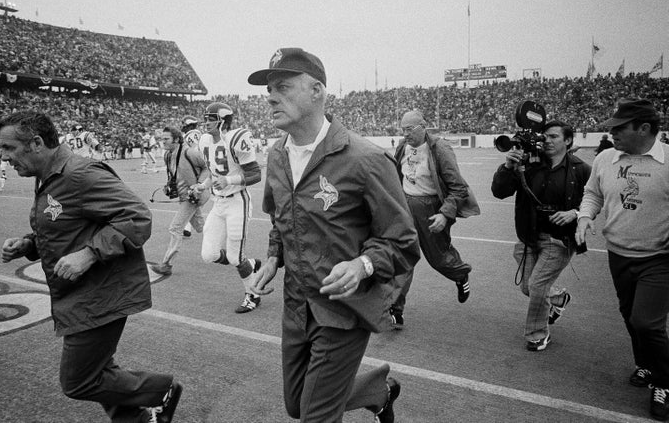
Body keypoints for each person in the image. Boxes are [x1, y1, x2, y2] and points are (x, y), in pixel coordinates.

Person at [248, 47, 419, 422]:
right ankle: (377, 390)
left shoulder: (365, 159)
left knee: (315, 416)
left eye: (283, 87)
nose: (272, 97)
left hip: (344, 308)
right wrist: (274, 257)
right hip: (296, 304)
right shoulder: (276, 155)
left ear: (317, 91)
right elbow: (280, 217)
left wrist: (363, 265)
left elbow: (403, 240)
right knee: (297, 405)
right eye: (269, 90)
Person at [0, 111, 182, 423]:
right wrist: (29, 245)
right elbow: (69, 227)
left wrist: (89, 255)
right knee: (100, 370)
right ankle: (137, 420)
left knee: (79, 380)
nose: (4, 157)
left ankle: (161, 390)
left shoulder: (79, 174)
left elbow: (137, 217)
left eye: (9, 148)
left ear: (37, 143)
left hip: (100, 293)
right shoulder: (49, 175)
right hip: (80, 294)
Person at [575, 98, 669, 420]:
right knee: (630, 316)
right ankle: (646, 364)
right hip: (619, 254)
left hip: (659, 258)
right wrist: (585, 217)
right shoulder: (605, 158)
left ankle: (665, 381)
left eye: (619, 128)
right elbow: (593, 193)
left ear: (644, 128)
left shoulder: (668, 160)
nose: (611, 132)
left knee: (646, 321)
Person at [492, 119, 591, 351]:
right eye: (545, 136)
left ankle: (537, 334)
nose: (547, 140)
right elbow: (499, 192)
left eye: (554, 137)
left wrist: (575, 213)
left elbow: (597, 199)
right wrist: (507, 167)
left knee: (537, 285)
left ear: (567, 140)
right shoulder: (529, 164)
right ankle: (558, 298)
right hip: (529, 237)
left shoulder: (580, 169)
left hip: (559, 239)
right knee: (529, 287)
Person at [389, 110, 479, 329]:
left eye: (410, 129)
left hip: (431, 209)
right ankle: (395, 311)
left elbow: (458, 188)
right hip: (406, 206)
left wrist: (444, 213)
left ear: (424, 126)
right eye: (402, 129)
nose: (405, 134)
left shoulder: (440, 149)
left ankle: (460, 274)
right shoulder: (402, 147)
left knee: (438, 258)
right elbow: (394, 174)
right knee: (402, 257)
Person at [190, 102, 264, 313]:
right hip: (219, 203)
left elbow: (255, 174)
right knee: (209, 254)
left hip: (237, 201)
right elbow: (213, 172)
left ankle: (253, 294)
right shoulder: (205, 141)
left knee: (234, 257)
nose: (207, 123)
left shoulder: (235, 138)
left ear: (223, 121)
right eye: (206, 118)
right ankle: (249, 263)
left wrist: (229, 180)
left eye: (211, 119)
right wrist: (202, 185)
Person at [150, 126, 209, 276]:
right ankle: (220, 248)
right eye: (161, 139)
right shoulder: (168, 155)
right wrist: (169, 186)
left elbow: (207, 168)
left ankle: (167, 265)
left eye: (166, 139)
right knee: (202, 227)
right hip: (185, 197)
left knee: (175, 228)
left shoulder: (189, 152)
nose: (162, 142)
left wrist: (199, 185)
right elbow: (174, 175)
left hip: (193, 197)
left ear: (176, 139)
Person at [180, 115, 203, 238]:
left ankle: (193, 226)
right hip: (195, 170)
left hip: (193, 171)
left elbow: (195, 154)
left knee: (189, 198)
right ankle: (188, 226)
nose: (182, 126)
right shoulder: (198, 135)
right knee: (190, 199)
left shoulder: (190, 136)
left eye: (184, 124)